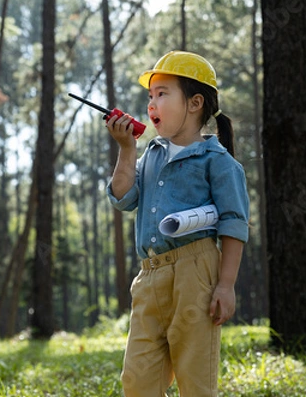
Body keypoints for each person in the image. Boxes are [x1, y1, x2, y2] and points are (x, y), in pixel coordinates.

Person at [106, 50, 250, 397]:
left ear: (195, 102)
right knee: (137, 380)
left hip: (195, 274)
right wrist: (127, 150)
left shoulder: (218, 161)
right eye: (149, 97)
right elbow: (122, 197)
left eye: (162, 94)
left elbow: (234, 224)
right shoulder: (149, 155)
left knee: (194, 378)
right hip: (150, 276)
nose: (151, 104)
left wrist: (225, 285)